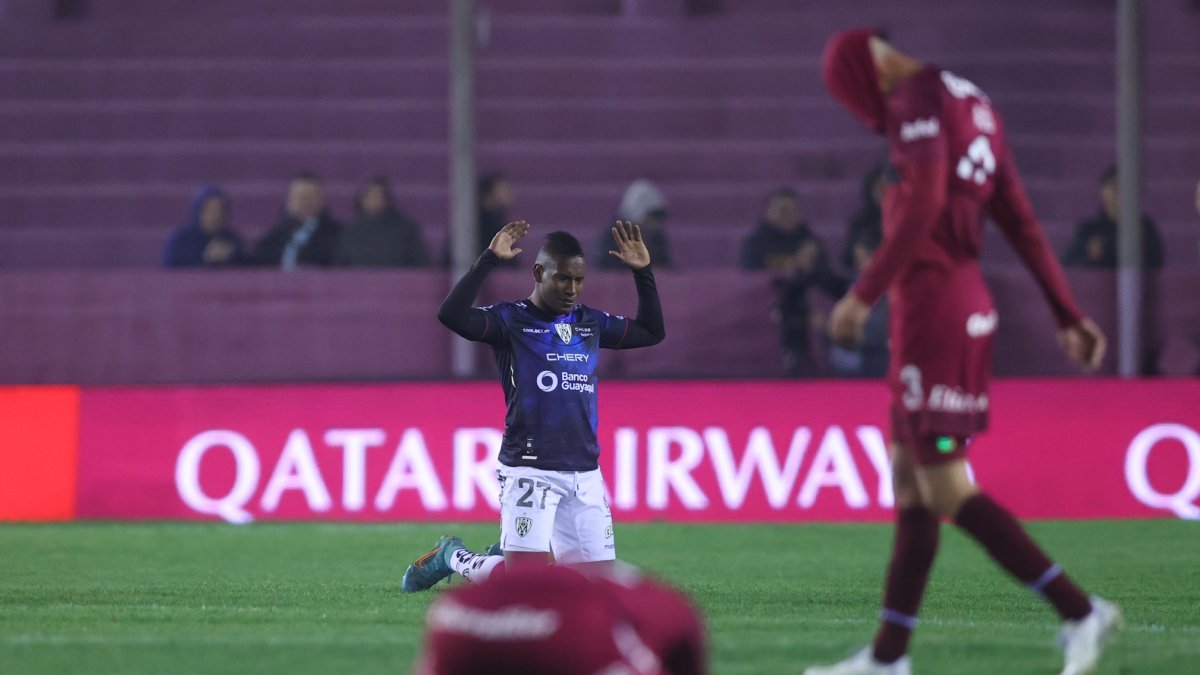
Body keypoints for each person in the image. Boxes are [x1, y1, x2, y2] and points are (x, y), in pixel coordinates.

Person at [809, 29, 1121, 675]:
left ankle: (1079, 609)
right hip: (940, 304)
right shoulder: (971, 101)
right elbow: (1018, 215)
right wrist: (1067, 311)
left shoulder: (915, 98)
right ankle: (889, 658)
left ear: (869, 69)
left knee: (946, 485)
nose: (870, 111)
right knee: (912, 484)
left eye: (858, 94)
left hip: (938, 308)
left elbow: (923, 199)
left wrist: (860, 295)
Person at [400, 220, 665, 592]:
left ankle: (501, 557)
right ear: (539, 273)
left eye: (578, 280)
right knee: (526, 587)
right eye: (563, 279)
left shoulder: (589, 323)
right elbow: (452, 315)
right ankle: (452, 555)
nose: (572, 289)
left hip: (584, 471)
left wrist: (643, 274)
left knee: (595, 588)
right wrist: (488, 260)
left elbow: (652, 332)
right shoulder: (510, 321)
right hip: (529, 468)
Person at [414, 564, 707, 675]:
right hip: (533, 460)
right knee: (530, 561)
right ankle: (456, 557)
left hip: (461, 618)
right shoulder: (666, 612)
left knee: (577, 561)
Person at [748, 188, 847, 375]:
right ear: (768, 213)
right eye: (781, 210)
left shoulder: (810, 241)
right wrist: (790, 266)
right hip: (765, 312)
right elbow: (748, 278)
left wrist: (810, 266)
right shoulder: (756, 243)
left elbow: (827, 280)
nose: (786, 215)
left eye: (791, 210)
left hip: (808, 313)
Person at [1061, 164, 1165, 270]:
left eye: (1126, 186)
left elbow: (1156, 263)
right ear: (1102, 191)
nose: (1118, 191)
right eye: (1113, 185)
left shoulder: (1144, 227)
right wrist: (1090, 256)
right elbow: (1069, 265)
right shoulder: (1088, 229)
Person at [828, 227, 889, 378]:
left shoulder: (892, 288)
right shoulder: (856, 284)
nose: (858, 265)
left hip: (881, 355)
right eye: (856, 260)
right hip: (858, 353)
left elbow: (882, 329)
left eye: (862, 259)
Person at [249, 171, 342, 269]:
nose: (305, 202)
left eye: (310, 197)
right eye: (299, 196)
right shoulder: (274, 237)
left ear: (321, 200)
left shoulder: (337, 236)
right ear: (289, 200)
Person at [332, 175, 430, 267]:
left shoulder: (406, 230)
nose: (373, 200)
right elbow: (339, 266)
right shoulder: (349, 232)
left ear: (387, 200)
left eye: (378, 195)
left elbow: (420, 264)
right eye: (369, 195)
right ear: (361, 200)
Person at [162, 185, 245, 268]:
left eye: (220, 211)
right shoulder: (180, 242)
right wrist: (207, 260)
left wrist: (230, 258)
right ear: (198, 211)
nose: (215, 216)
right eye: (210, 211)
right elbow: (170, 273)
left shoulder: (233, 241)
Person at [597, 179, 672, 269]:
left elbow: (664, 266)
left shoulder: (657, 239)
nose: (654, 225)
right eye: (650, 218)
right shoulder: (612, 240)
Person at [840, 162, 888, 271]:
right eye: (879, 187)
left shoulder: (904, 222)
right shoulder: (860, 224)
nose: (884, 192)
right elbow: (847, 259)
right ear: (870, 190)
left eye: (887, 187)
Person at [477, 172, 518, 266]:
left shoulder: (499, 227)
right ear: (487, 196)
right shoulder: (476, 228)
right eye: (504, 191)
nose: (510, 196)